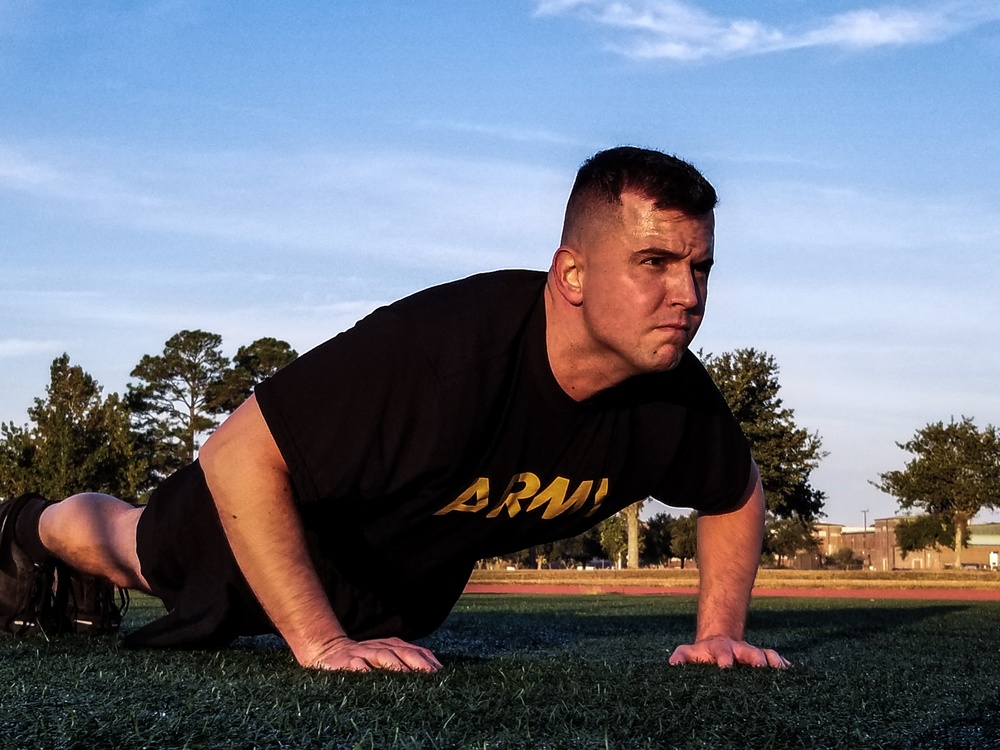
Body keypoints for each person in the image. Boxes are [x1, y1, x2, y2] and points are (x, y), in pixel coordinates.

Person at [0, 146, 789, 672]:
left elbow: (734, 489)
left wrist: (718, 634)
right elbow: (236, 452)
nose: (687, 296)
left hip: (394, 585)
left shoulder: (673, 392)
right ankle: (25, 525)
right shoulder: (446, 347)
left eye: (700, 267)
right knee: (134, 546)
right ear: (572, 275)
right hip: (268, 520)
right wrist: (319, 644)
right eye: (654, 262)